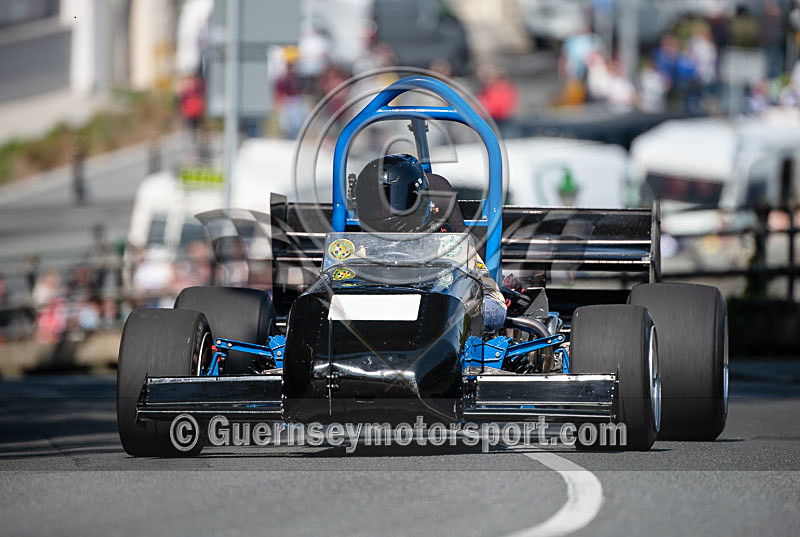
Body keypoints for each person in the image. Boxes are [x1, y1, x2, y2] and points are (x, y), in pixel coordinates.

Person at [354, 153, 507, 330]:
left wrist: (463, 308)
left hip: (438, 335)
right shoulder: (357, 251)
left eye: (389, 202)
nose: (381, 212)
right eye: (373, 204)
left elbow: (495, 307)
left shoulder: (452, 248)